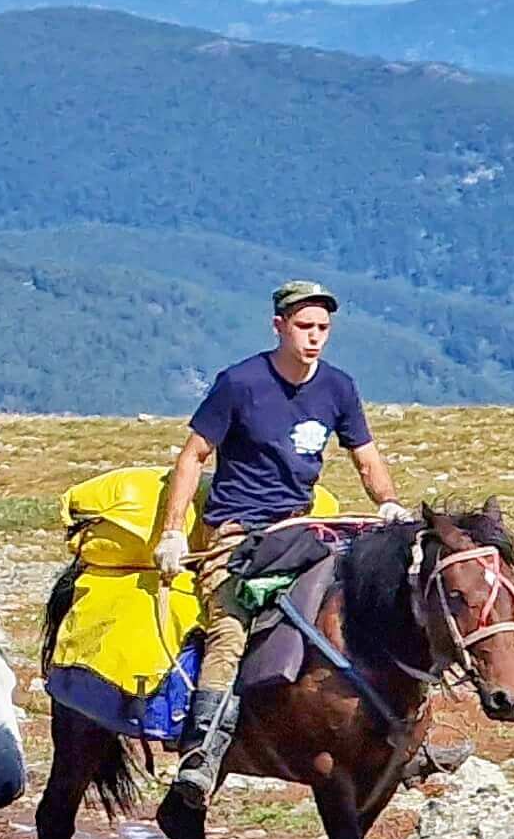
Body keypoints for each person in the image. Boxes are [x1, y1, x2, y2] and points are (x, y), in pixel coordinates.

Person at [149, 282, 411, 801]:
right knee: (229, 629)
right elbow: (193, 456)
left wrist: (388, 503)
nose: (314, 338)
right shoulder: (240, 383)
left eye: (323, 329)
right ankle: (203, 751)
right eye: (303, 327)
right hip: (237, 535)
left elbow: (365, 457)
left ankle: (399, 736)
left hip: (300, 531)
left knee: (365, 608)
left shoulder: (338, 387)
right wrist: (174, 532)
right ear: (279, 327)